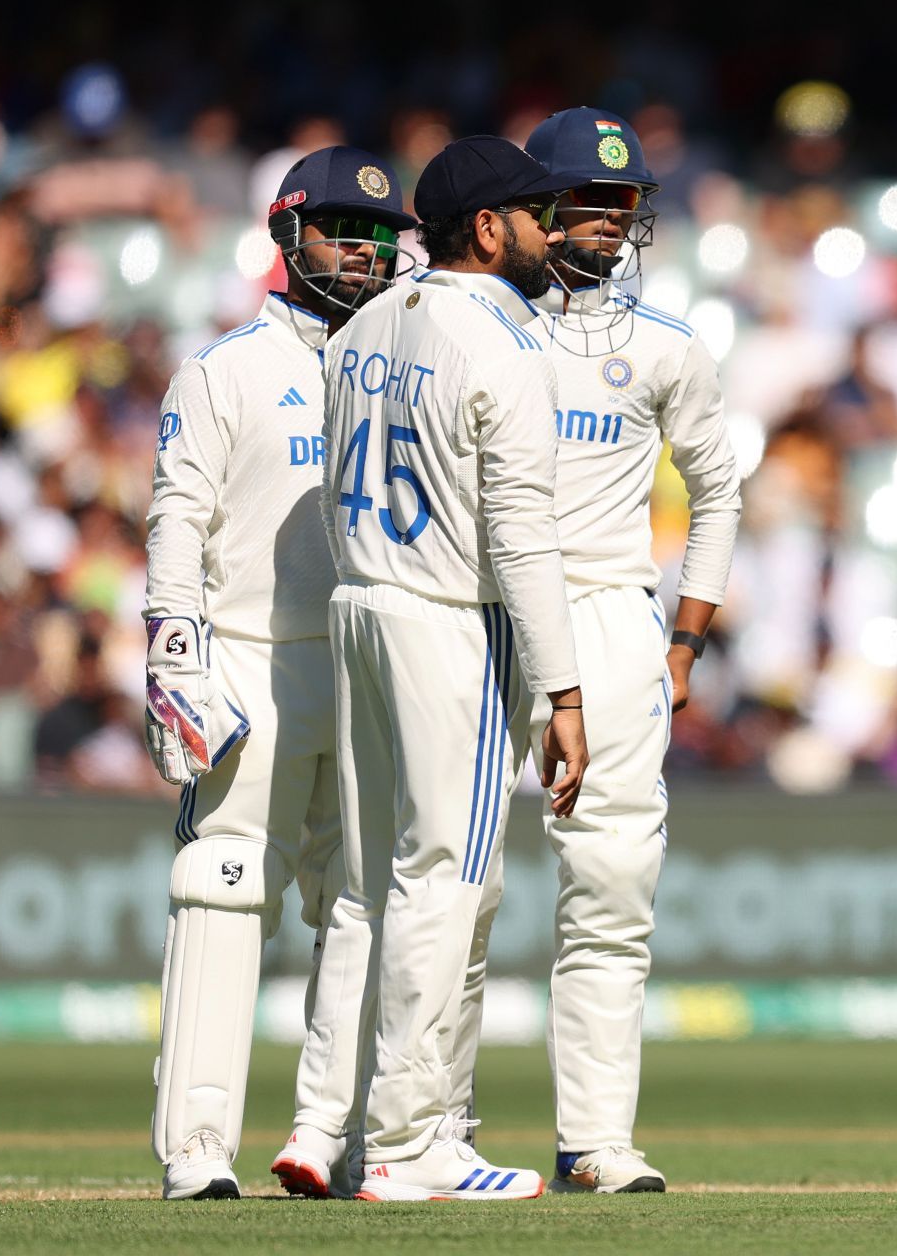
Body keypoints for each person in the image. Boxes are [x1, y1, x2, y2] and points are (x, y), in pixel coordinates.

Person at [315, 134, 589, 1202]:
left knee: (385, 886)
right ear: (487, 228)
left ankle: (360, 1132)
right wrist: (564, 690)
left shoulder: (365, 321)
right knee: (446, 882)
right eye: (533, 214)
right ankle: (407, 1139)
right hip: (445, 619)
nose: (551, 232)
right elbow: (521, 536)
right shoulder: (506, 348)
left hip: (358, 607)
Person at [142, 146, 412, 1200]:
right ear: (287, 234)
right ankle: (197, 1148)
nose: (365, 249)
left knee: (364, 902)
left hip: (371, 657)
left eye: (383, 233)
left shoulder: (403, 364)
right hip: (251, 656)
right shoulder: (226, 369)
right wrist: (177, 654)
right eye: (343, 227)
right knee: (221, 887)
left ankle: (331, 1135)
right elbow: (178, 520)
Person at [495, 105, 743, 1193]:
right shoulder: (473, 328)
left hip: (608, 614)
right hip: (476, 613)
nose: (605, 222)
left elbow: (720, 491)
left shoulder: (666, 346)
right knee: (434, 886)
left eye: (622, 203)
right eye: (584, 202)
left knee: (610, 889)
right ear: (529, 211)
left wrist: (686, 637)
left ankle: (594, 1138)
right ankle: (413, 1134)